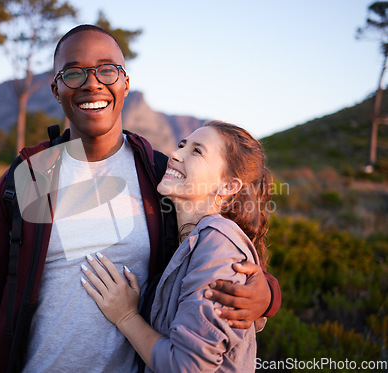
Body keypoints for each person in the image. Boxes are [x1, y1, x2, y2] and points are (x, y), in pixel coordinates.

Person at [0, 25, 280, 373]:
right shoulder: (28, 178)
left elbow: (214, 246)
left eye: (107, 69)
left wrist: (268, 294)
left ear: (124, 83)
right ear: (56, 89)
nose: (92, 83)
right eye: (74, 73)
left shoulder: (160, 175)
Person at [82, 121, 271, 372]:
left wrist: (126, 317)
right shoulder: (190, 238)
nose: (174, 153)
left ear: (228, 186)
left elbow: (186, 366)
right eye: (182, 145)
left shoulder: (219, 243)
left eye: (197, 151)